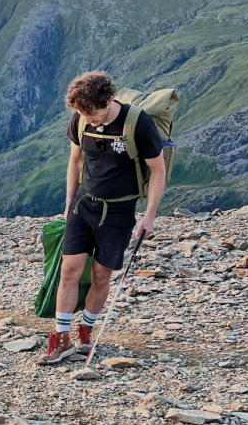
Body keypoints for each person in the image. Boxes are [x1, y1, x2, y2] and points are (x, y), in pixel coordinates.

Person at [37, 72, 165, 365]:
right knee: (69, 270)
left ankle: (86, 329)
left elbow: (157, 170)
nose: (87, 119)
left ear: (109, 101)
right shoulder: (80, 119)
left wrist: (149, 216)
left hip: (119, 211)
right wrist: (69, 203)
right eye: (82, 113)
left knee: (100, 275)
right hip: (83, 206)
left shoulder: (138, 123)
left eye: (91, 113)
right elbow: (75, 160)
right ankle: (61, 338)